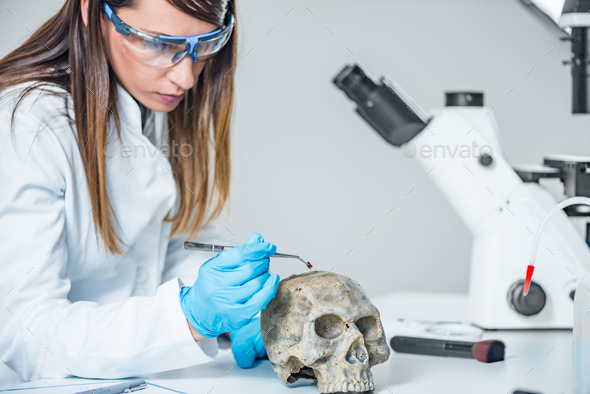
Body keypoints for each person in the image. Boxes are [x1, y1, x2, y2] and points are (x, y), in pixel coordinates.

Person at [0, 0, 279, 387]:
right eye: (159, 43)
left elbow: (169, 245)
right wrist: (189, 317)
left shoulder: (150, 102)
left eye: (205, 43)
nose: (187, 77)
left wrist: (235, 309)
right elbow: (25, 339)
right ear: (90, 10)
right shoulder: (24, 124)